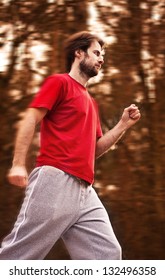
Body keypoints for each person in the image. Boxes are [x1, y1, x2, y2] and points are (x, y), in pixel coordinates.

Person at [0, 31, 141, 260]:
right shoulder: (60, 83)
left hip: (85, 190)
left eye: (102, 54)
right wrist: (17, 164)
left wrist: (122, 125)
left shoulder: (91, 102)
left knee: (107, 255)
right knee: (20, 257)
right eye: (96, 52)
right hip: (55, 179)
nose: (101, 58)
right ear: (78, 53)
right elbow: (30, 119)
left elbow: (94, 149)